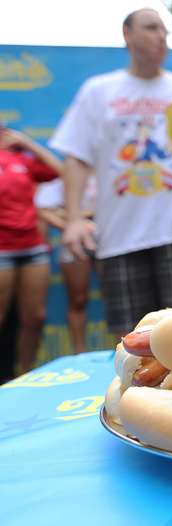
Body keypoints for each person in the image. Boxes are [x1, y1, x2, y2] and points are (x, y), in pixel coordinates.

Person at [49, 9, 172, 339]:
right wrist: (74, 218)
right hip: (120, 238)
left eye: (164, 30)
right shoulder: (99, 91)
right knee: (131, 342)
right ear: (127, 34)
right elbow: (76, 158)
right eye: (150, 28)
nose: (160, 36)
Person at [0, 126, 61, 374]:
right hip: (2, 248)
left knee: (34, 317)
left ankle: (25, 375)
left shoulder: (21, 159)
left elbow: (61, 171)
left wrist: (28, 143)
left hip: (32, 246)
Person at [35, 178, 97, 355]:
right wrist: (71, 224)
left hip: (108, 236)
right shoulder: (62, 174)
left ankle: (126, 351)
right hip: (74, 239)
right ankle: (80, 354)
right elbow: (42, 210)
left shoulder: (110, 165)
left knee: (120, 297)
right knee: (77, 299)